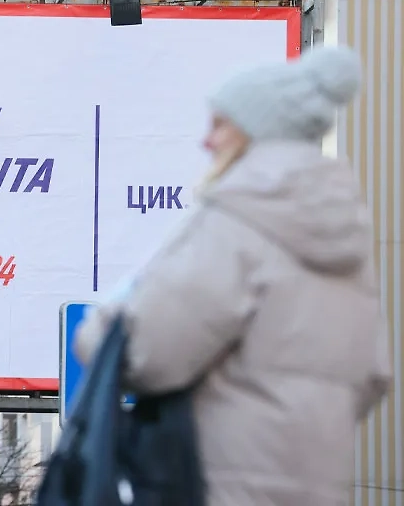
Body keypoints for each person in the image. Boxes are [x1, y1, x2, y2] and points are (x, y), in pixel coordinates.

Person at [72, 45, 391, 506]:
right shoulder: (349, 244)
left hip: (216, 485)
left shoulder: (239, 222)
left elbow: (147, 353)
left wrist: (104, 324)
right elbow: (373, 378)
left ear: (255, 133)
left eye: (220, 124)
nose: (207, 141)